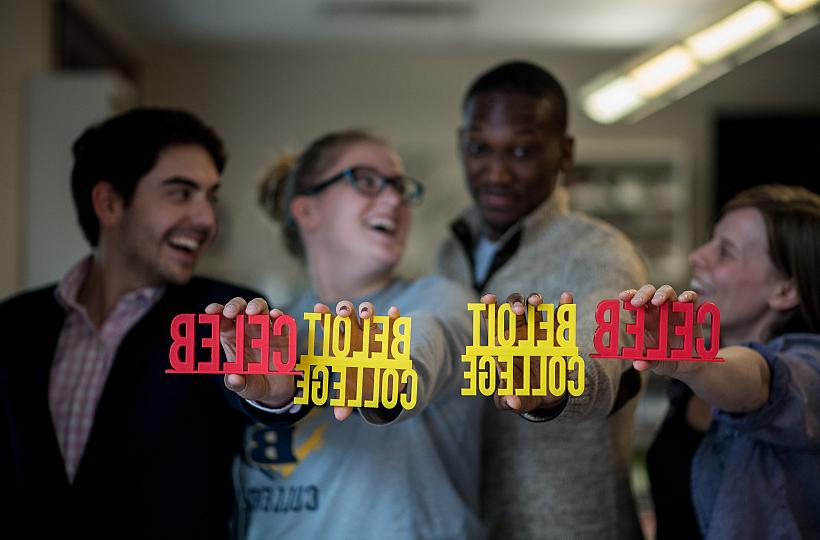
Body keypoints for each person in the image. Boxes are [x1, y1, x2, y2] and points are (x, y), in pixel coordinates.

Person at [0, 108, 264, 540]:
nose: (207, 221)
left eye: (210, 197)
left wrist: (277, 397)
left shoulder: (227, 314)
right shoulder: (12, 327)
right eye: (181, 193)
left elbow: (265, 400)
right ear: (109, 204)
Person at [208, 130, 485, 539]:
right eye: (367, 181)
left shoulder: (442, 300)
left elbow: (428, 347)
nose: (394, 200)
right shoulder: (270, 327)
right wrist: (275, 398)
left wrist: (382, 379)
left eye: (399, 187)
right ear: (307, 210)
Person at [436, 61, 648, 538]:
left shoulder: (600, 253)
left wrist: (554, 382)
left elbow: (605, 363)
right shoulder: (449, 249)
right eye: (479, 149)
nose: (496, 171)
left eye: (522, 150)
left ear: (565, 153)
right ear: (461, 145)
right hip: (476, 523)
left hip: (575, 527)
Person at [628, 184, 820, 539]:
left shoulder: (810, 366)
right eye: (710, 241)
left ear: (785, 291)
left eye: (726, 252)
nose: (697, 256)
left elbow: (760, 381)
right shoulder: (686, 385)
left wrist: (691, 360)